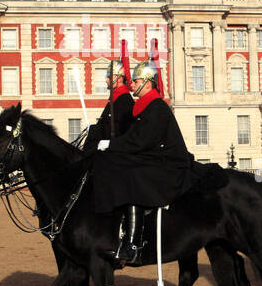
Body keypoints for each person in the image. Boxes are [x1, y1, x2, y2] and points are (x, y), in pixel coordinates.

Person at [88, 58, 214, 264]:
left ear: (147, 83)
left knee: (133, 176)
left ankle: (133, 243)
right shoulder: (146, 106)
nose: (133, 85)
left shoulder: (156, 107)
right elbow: (137, 140)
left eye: (136, 82)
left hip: (171, 163)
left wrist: (111, 145)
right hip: (158, 157)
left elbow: (140, 140)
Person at [83, 48, 134, 153]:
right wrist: (94, 129)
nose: (106, 80)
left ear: (119, 78)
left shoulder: (124, 100)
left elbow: (117, 130)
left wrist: (95, 131)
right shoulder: (115, 98)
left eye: (109, 77)